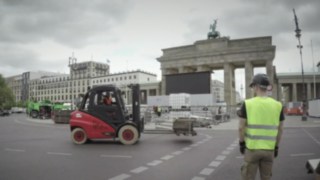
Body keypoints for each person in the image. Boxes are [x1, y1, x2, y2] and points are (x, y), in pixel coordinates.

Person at [237, 74, 285, 180]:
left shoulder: (248, 103)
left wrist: (241, 143)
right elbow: (280, 129)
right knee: (266, 177)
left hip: (252, 149)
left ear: (256, 86)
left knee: (248, 177)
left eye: (253, 86)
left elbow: (241, 127)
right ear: (267, 87)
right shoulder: (278, 105)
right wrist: (276, 146)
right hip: (269, 150)